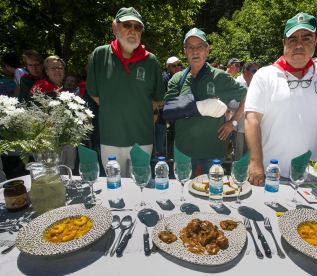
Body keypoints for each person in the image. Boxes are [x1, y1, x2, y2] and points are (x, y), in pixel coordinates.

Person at [245, 12, 317, 186]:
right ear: (284, 42)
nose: (299, 44)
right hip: (268, 176)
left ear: (316, 40)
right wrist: (255, 163)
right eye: (293, 38)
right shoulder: (265, 75)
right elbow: (252, 120)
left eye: (306, 38)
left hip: (314, 178)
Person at [86, 7, 164, 177]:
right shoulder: (100, 55)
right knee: (114, 190)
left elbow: (158, 98)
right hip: (110, 138)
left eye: (137, 27)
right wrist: (115, 109)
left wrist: (137, 113)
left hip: (142, 139)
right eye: (127, 25)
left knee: (141, 186)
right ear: (115, 28)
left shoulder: (150, 60)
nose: (132, 31)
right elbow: (93, 92)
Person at [164, 28, 247, 177]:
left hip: (213, 152)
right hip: (184, 151)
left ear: (207, 51)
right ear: (185, 52)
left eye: (200, 46)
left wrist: (233, 122)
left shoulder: (220, 77)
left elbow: (247, 96)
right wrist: (202, 106)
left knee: (213, 194)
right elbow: (169, 111)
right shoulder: (177, 79)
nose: (195, 51)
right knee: (184, 194)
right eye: (190, 47)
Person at [30, 55, 77, 170]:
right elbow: (32, 114)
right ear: (46, 71)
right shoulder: (38, 89)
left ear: (64, 72)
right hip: (49, 140)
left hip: (68, 138)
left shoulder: (68, 91)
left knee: (68, 168)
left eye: (60, 68)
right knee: (52, 171)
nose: (57, 71)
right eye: (53, 68)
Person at [229, 61, 258, 160]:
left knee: (248, 154)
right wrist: (248, 105)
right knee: (238, 153)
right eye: (254, 70)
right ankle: (235, 173)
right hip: (239, 126)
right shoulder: (237, 83)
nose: (256, 73)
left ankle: (246, 174)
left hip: (252, 126)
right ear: (245, 71)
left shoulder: (257, 84)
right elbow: (231, 103)